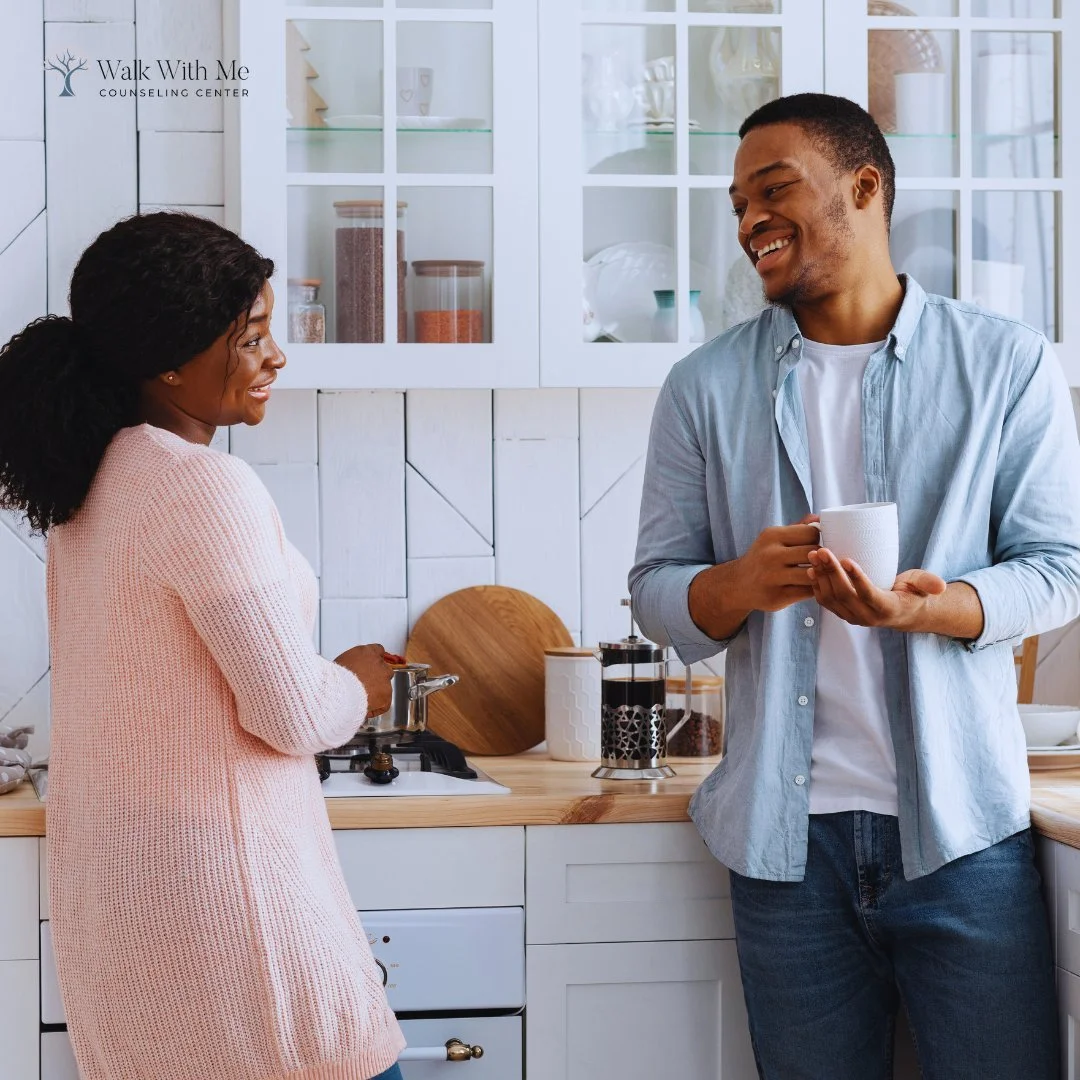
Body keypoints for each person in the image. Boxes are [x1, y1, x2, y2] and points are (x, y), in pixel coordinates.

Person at [630, 93, 1080, 1079]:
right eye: (739, 204)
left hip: (964, 839)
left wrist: (930, 607)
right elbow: (656, 591)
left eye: (775, 191)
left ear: (865, 187)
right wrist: (739, 584)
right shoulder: (703, 387)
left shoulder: (1007, 365)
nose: (750, 221)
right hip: (785, 856)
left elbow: (1059, 570)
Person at [0, 212, 406, 1080]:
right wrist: (357, 684)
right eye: (252, 336)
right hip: (232, 915)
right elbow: (292, 711)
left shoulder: (96, 482)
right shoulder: (200, 486)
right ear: (171, 364)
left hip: (133, 919)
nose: (276, 357)